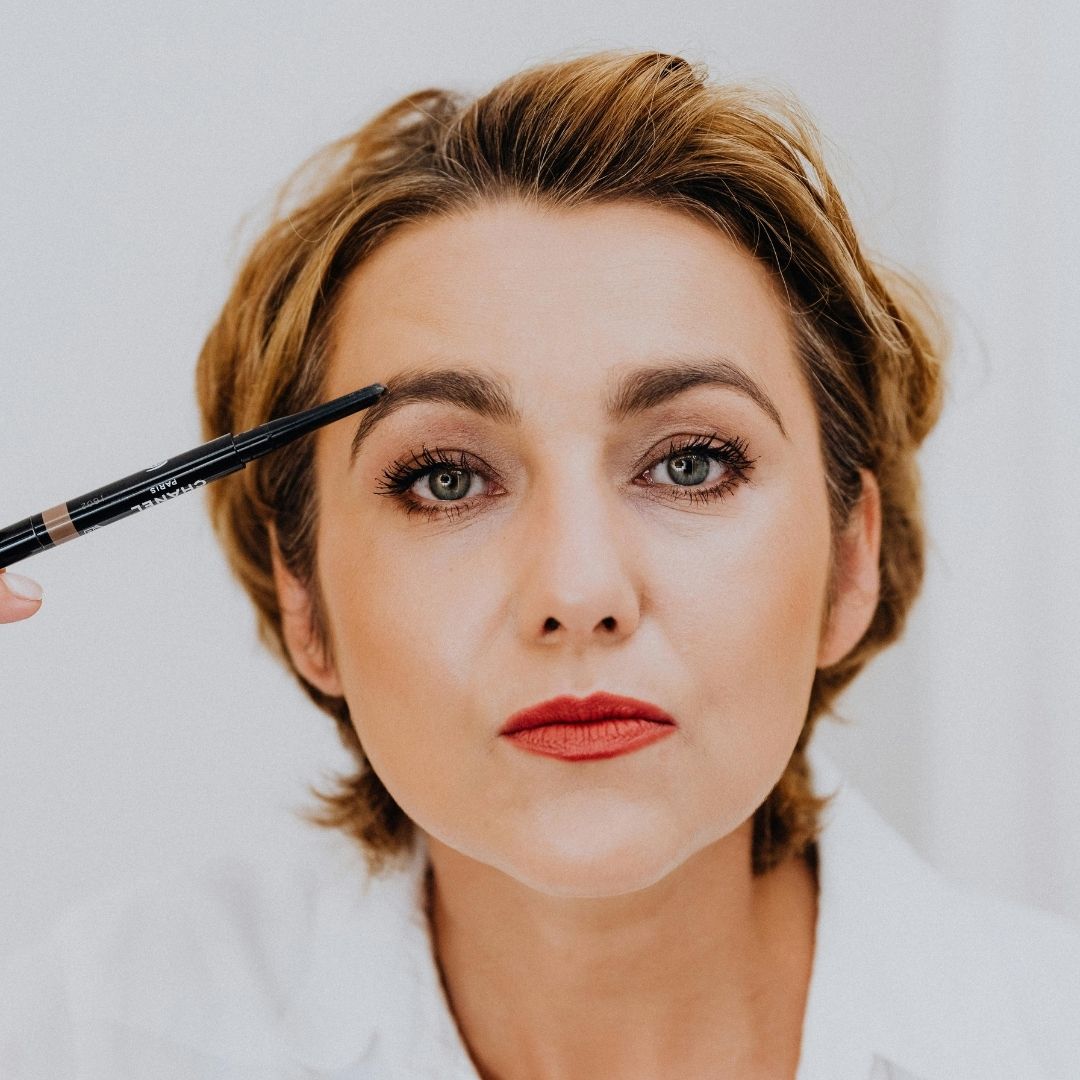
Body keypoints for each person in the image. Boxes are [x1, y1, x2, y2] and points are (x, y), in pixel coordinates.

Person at [2, 49, 1078, 1080]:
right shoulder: (89, 1034)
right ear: (305, 601)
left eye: (691, 462)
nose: (577, 593)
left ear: (852, 562)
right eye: (447, 480)